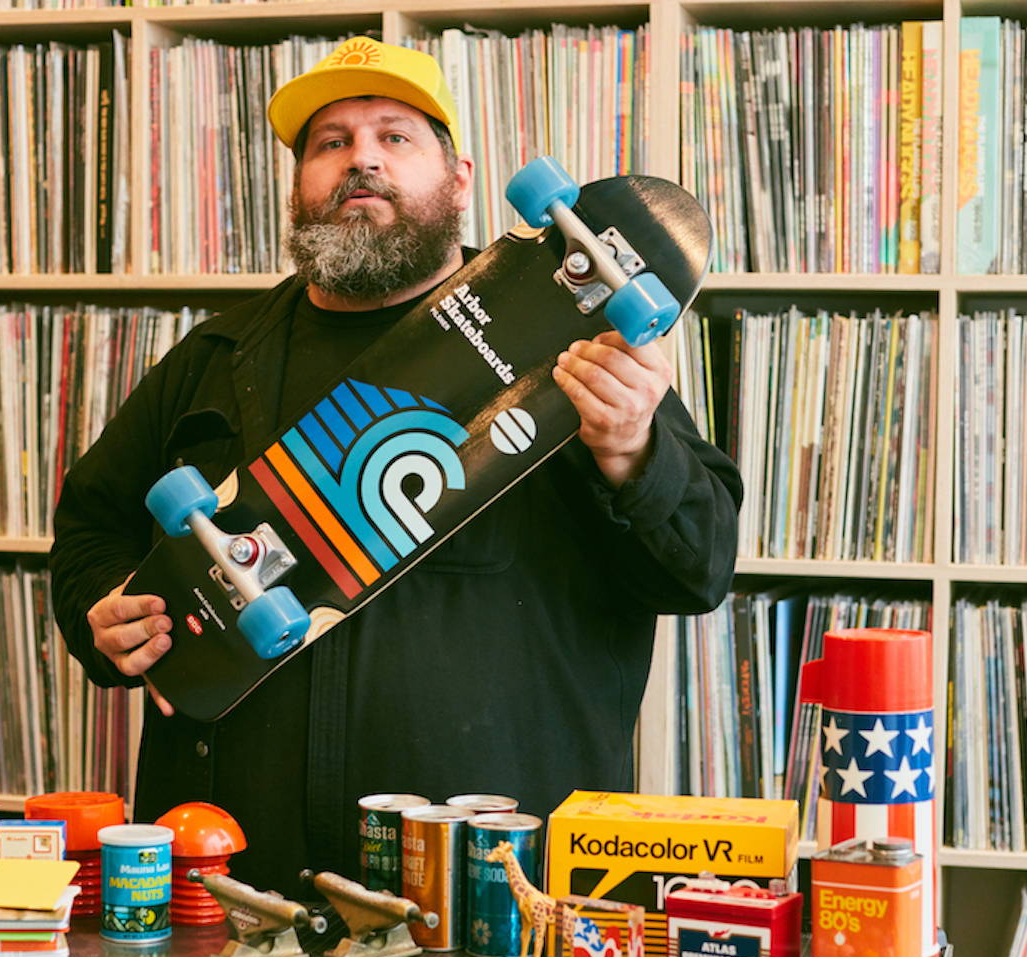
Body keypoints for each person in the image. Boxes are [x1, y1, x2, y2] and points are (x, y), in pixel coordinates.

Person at [49, 37, 742, 892]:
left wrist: (631, 448)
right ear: (300, 187)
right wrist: (106, 613)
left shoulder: (578, 355)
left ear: (460, 180)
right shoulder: (213, 359)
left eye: (395, 136)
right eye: (329, 142)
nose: (360, 159)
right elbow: (90, 526)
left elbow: (700, 569)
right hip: (231, 881)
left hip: (490, 900)